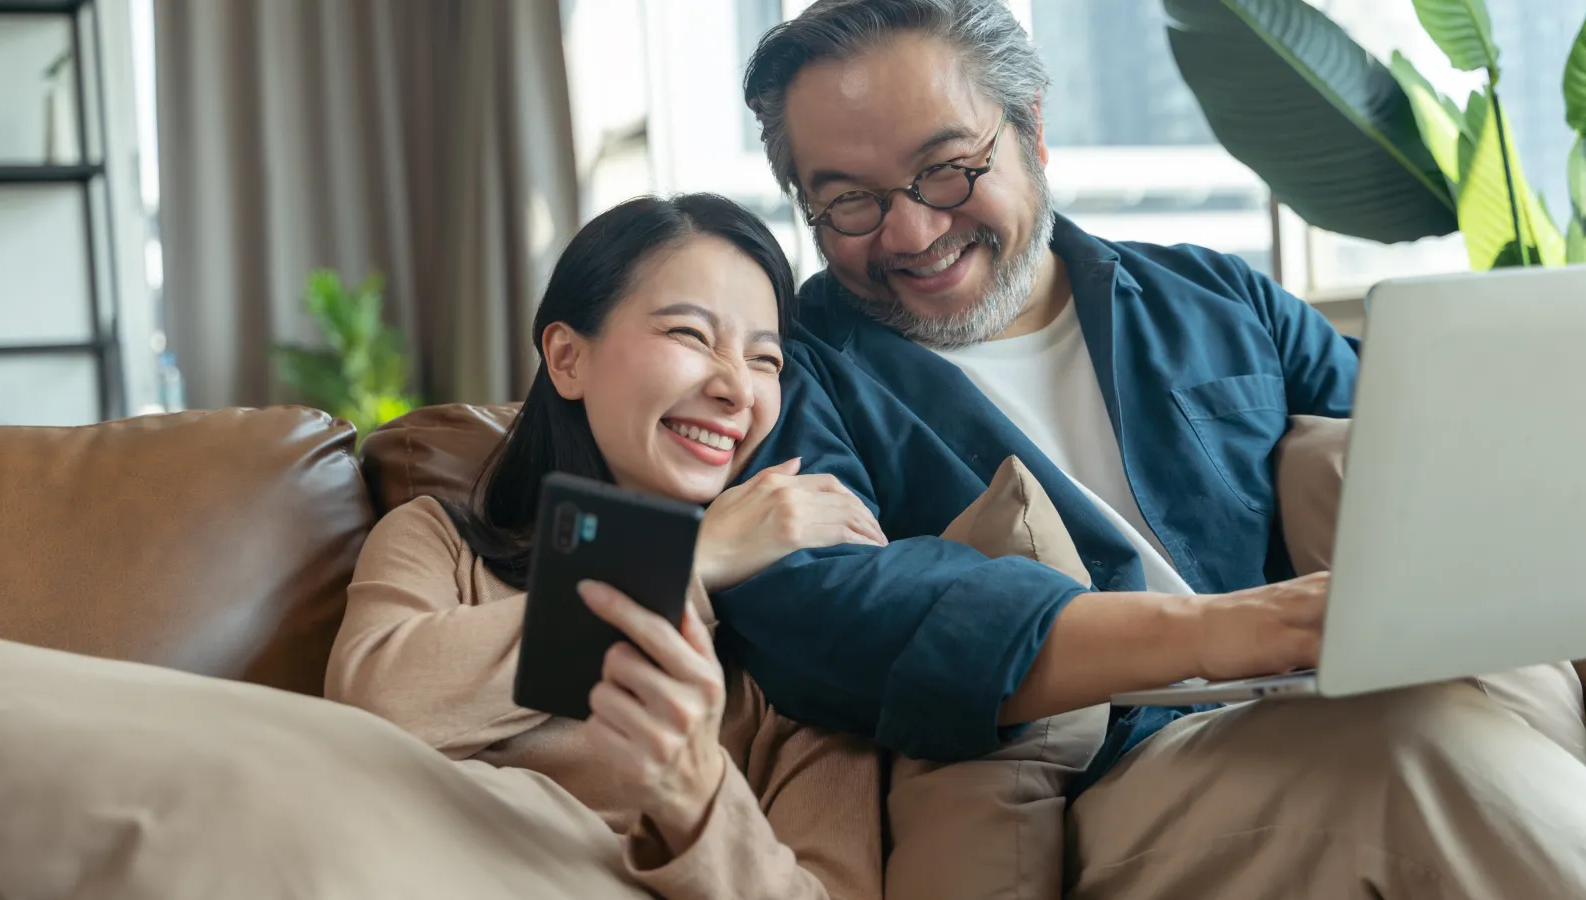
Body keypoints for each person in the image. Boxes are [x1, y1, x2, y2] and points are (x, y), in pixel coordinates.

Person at [711, 0, 1586, 896]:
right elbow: (822, 611)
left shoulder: (1212, 296)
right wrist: (1216, 633)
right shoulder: (795, 378)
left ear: (1032, 130)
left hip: (1340, 709)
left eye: (945, 170)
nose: (910, 233)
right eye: (848, 201)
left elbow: (1432, 443)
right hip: (1117, 778)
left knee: (1465, 711)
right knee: (1419, 752)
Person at [324, 194, 886, 900]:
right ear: (566, 357)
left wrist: (693, 796)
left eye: (765, 359)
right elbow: (372, 712)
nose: (736, 387)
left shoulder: (801, 635)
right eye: (690, 333)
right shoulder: (441, 542)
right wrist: (687, 561)